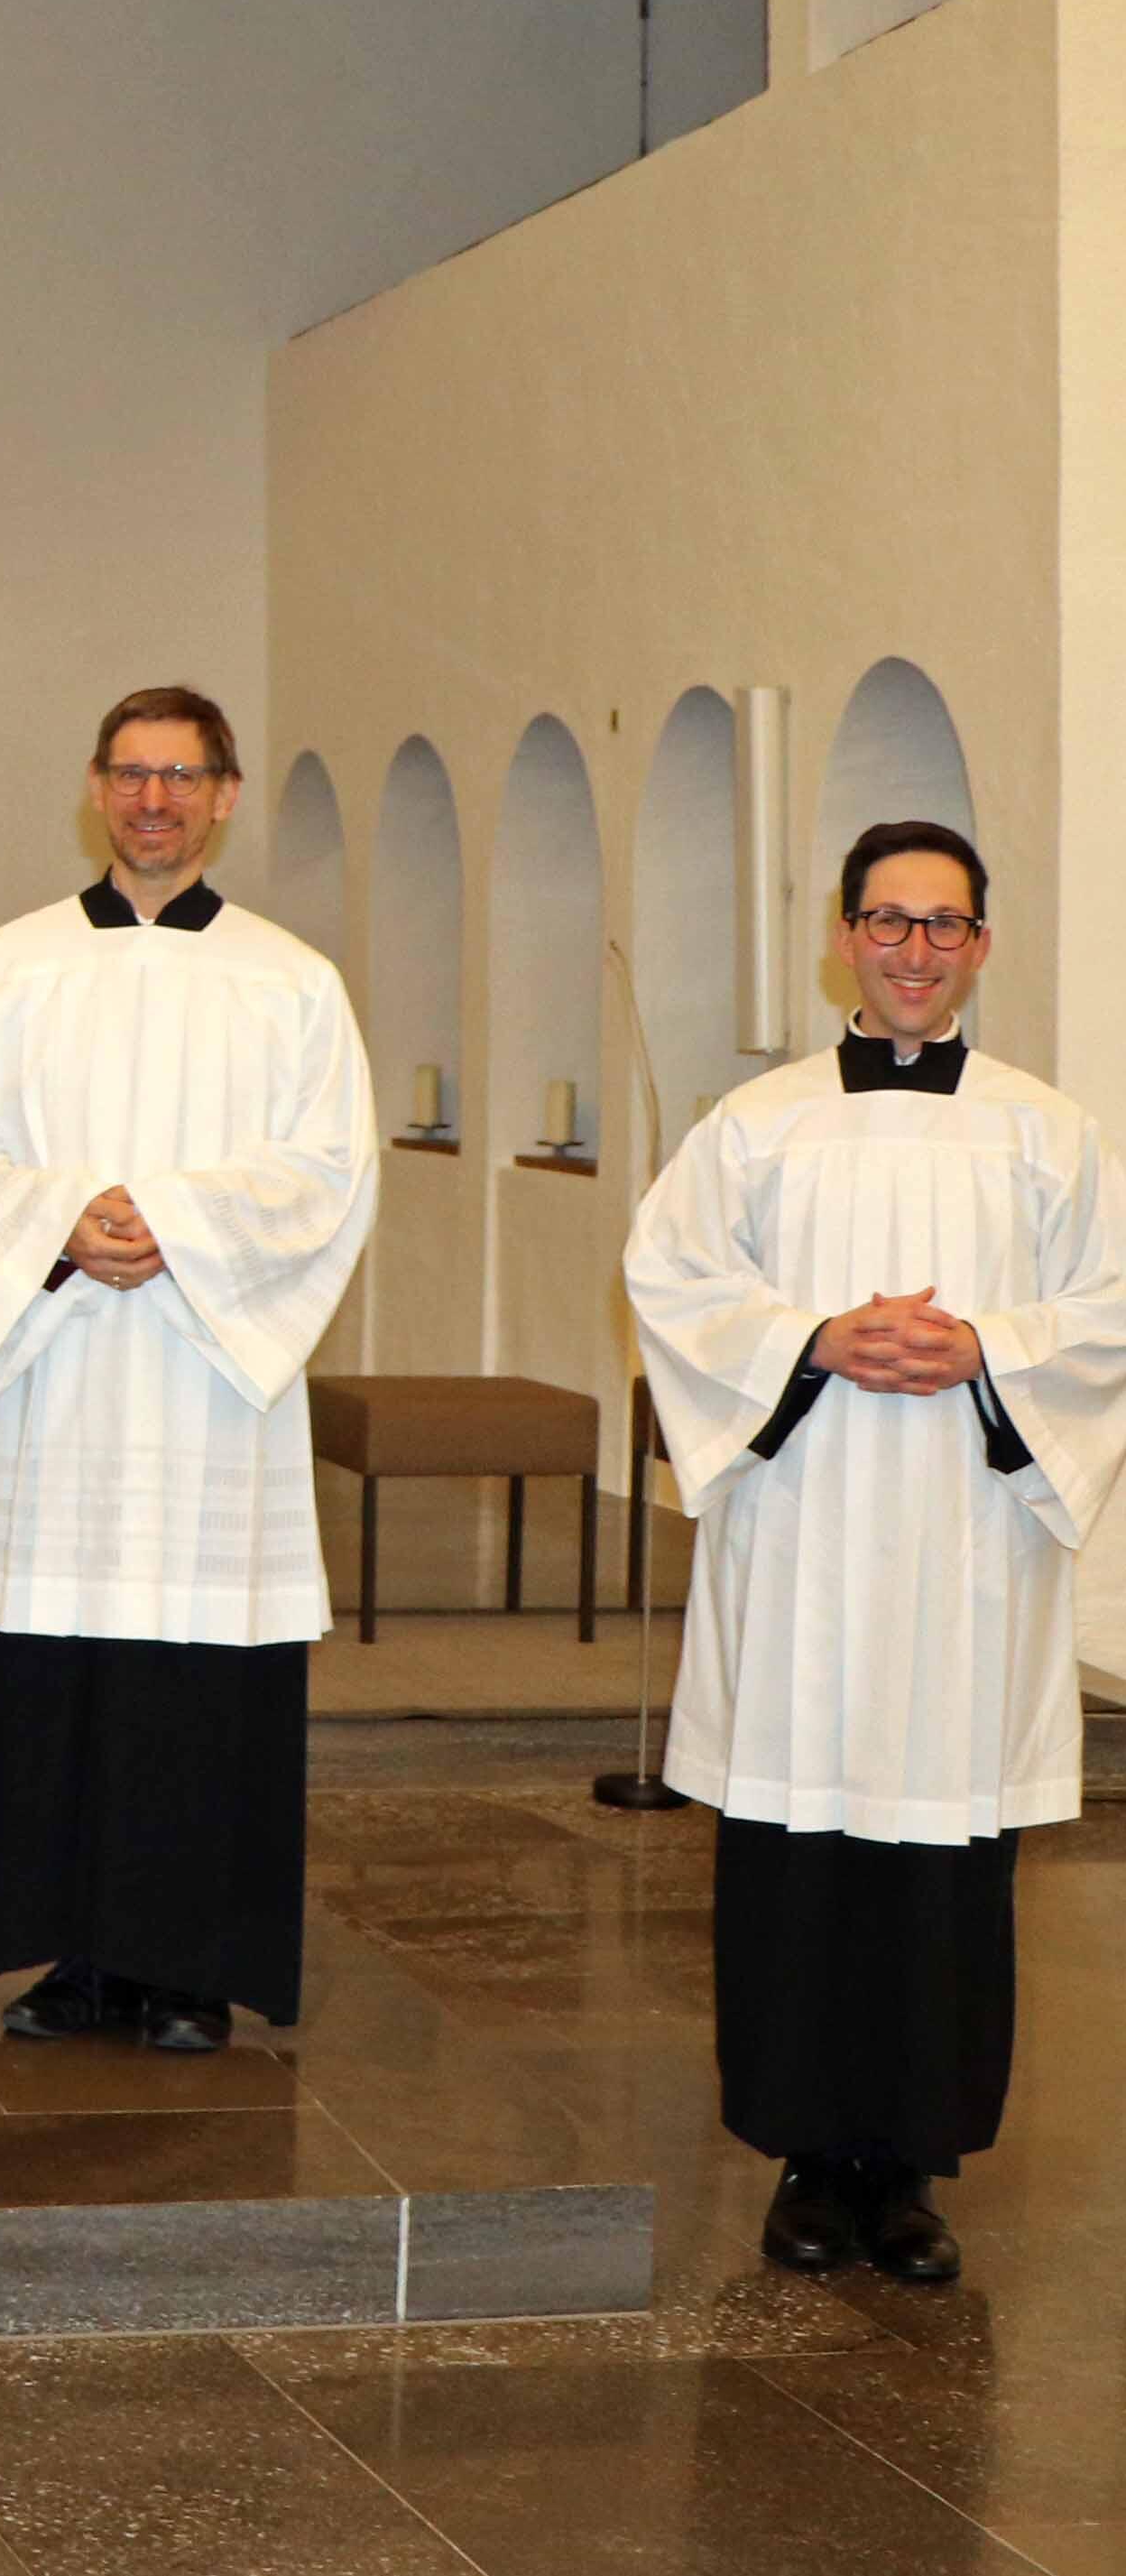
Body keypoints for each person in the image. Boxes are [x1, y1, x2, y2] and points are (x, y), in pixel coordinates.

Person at [626, 820, 1126, 2284]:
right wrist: (816, 1336)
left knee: (941, 1855)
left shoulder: (1048, 1130)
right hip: (807, 1536)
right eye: (890, 921)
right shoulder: (757, 1123)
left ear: (982, 944)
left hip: (966, 1546)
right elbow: (670, 1278)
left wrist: (988, 1345)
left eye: (945, 925)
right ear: (843, 935)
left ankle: (909, 2172)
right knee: (799, 1841)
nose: (916, 949)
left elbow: (1105, 1312)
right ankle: (802, 2156)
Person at [0, 686, 374, 2055]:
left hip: (207, 1383)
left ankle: (186, 1966)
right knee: (58, 1667)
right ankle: (73, 1961)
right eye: (131, 773)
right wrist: (58, 1223)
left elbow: (331, 1171)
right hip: (63, 1375)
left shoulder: (290, 981)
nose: (154, 799)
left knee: (193, 1678)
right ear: (96, 787)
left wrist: (177, 1220)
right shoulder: (15, 964)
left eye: (183, 776)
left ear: (224, 795)